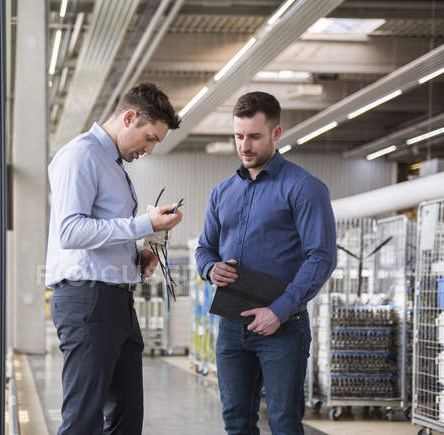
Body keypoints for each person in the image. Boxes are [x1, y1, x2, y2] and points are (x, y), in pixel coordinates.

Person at [195, 91, 337, 434]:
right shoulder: (222, 192)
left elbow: (321, 257)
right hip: (231, 326)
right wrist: (210, 269)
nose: (245, 146)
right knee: (235, 422)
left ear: (276, 134)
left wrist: (279, 311)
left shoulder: (304, 188)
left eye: (255, 137)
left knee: (285, 424)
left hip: (283, 327)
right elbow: (204, 249)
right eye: (238, 136)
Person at [45, 82, 183, 434]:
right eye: (150, 138)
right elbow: (71, 232)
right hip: (89, 300)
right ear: (129, 117)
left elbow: (102, 231)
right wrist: (143, 224)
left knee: (125, 417)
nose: (149, 149)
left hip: (116, 300)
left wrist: (138, 256)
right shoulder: (82, 155)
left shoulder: (112, 164)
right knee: (83, 419)